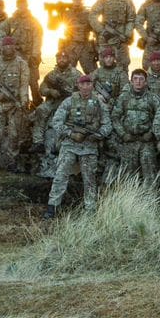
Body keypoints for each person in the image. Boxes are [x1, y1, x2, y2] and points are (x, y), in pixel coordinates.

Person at [45, 75, 113, 216]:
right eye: (83, 84)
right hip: (70, 144)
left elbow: (107, 125)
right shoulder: (69, 101)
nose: (86, 87)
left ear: (92, 86)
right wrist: (71, 133)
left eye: (89, 84)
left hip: (89, 146)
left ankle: (90, 209)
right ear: (78, 85)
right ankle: (52, 207)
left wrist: (97, 135)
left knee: (89, 179)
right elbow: (56, 121)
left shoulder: (99, 104)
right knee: (61, 175)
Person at [0, 37, 33, 172]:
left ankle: (12, 161)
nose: (8, 48)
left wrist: (23, 101)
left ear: (14, 47)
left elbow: (24, 84)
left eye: (11, 45)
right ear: (2, 47)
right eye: (6, 46)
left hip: (14, 105)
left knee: (14, 135)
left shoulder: (21, 64)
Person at [112, 68, 160, 182]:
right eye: (135, 79)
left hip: (146, 142)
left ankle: (150, 196)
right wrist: (123, 134)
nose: (138, 81)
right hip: (129, 141)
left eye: (141, 79)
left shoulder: (153, 98)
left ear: (145, 82)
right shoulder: (123, 97)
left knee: (150, 174)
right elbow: (115, 117)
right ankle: (129, 197)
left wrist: (151, 133)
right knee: (127, 175)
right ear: (131, 81)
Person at [34, 48, 81, 152]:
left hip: (70, 102)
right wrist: (50, 91)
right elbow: (42, 89)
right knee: (40, 110)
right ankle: (38, 141)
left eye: (64, 57)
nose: (62, 60)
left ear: (69, 59)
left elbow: (83, 90)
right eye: (59, 58)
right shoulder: (51, 75)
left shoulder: (76, 74)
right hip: (53, 101)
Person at [92, 0, 138, 70]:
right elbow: (93, 15)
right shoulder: (103, 0)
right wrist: (102, 31)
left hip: (121, 40)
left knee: (123, 66)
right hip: (106, 39)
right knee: (104, 66)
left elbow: (131, 19)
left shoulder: (127, 0)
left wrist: (126, 35)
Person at [7, 0, 45, 103]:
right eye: (19, 4)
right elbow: (0, 33)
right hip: (17, 57)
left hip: (30, 56)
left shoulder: (33, 21)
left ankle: (37, 103)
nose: (21, 6)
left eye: (23, 4)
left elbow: (38, 38)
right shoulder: (11, 21)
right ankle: (23, 105)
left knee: (33, 82)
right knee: (18, 83)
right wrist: (7, 49)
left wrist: (35, 54)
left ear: (27, 5)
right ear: (17, 6)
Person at [60, 0, 98, 73]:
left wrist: (96, 47)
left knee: (93, 73)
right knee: (67, 73)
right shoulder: (66, 13)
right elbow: (51, 26)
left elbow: (96, 30)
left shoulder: (88, 13)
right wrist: (53, 13)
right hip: (71, 47)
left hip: (85, 46)